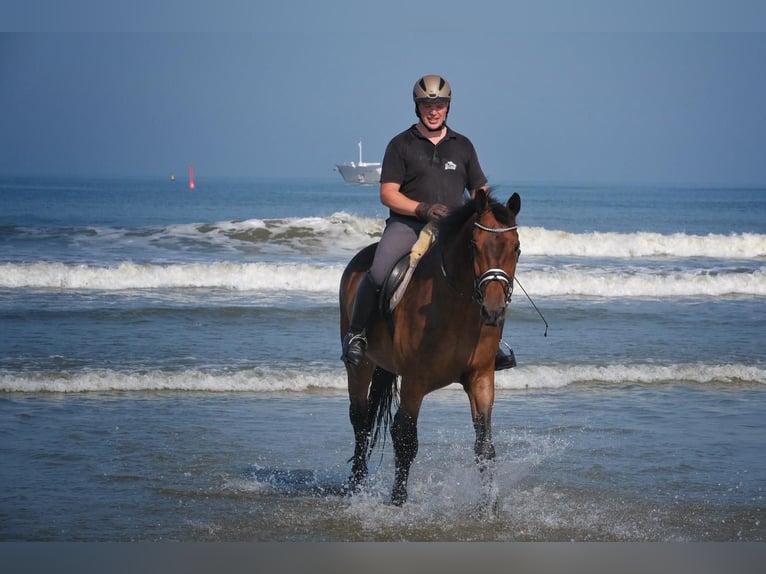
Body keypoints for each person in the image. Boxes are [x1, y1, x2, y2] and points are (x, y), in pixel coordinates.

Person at [341, 74, 516, 370]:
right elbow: (388, 194)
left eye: (439, 105)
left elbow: (479, 191)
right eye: (426, 105)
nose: (433, 111)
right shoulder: (401, 144)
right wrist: (422, 209)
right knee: (381, 271)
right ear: (417, 106)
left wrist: (488, 213)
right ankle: (357, 335)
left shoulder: (463, 146)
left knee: (488, 274)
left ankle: (492, 344)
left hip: (453, 230)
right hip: (407, 225)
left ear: (448, 107)